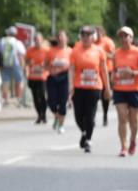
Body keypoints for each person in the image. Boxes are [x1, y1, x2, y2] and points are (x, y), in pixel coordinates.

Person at [69, 25, 111, 153]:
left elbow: (104, 70)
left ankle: (88, 140)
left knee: (90, 115)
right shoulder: (75, 50)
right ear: (80, 37)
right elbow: (71, 69)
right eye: (84, 35)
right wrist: (70, 86)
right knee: (78, 115)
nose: (86, 38)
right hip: (79, 86)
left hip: (94, 87)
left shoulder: (99, 51)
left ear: (93, 37)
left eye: (89, 35)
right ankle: (84, 131)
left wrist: (107, 87)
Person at [112, 26, 138, 156]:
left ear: (131, 38)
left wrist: (132, 73)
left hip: (135, 89)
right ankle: (123, 147)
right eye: (121, 36)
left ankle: (133, 140)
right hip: (120, 89)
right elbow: (114, 71)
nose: (123, 39)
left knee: (133, 120)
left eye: (126, 36)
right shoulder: (116, 53)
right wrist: (113, 78)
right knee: (122, 118)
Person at [46, 30, 71, 134]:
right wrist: (50, 68)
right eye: (59, 36)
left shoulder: (71, 51)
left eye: (62, 36)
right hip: (52, 77)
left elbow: (74, 67)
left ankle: (61, 125)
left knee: (62, 103)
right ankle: (57, 116)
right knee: (51, 102)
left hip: (65, 78)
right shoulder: (51, 51)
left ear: (66, 39)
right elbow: (46, 64)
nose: (60, 38)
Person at [25, 32, 50, 124]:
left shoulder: (47, 50)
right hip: (32, 77)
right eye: (35, 40)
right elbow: (26, 62)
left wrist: (44, 65)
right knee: (35, 97)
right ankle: (39, 115)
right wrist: (29, 63)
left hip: (43, 77)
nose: (37, 41)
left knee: (43, 96)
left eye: (38, 40)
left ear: (42, 40)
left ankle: (44, 114)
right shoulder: (30, 50)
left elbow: (50, 62)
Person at [0, 26, 25, 105]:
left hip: (4, 64)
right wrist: (22, 67)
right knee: (19, 81)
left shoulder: (1, 41)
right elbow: (21, 56)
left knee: (5, 82)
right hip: (16, 64)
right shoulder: (17, 42)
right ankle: (18, 99)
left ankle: (5, 100)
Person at [95, 26, 116, 126]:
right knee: (94, 94)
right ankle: (92, 116)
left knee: (105, 95)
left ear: (103, 33)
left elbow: (113, 56)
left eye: (99, 32)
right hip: (95, 72)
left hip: (107, 71)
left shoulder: (108, 42)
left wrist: (103, 54)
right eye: (96, 32)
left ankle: (105, 115)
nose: (98, 34)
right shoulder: (91, 42)